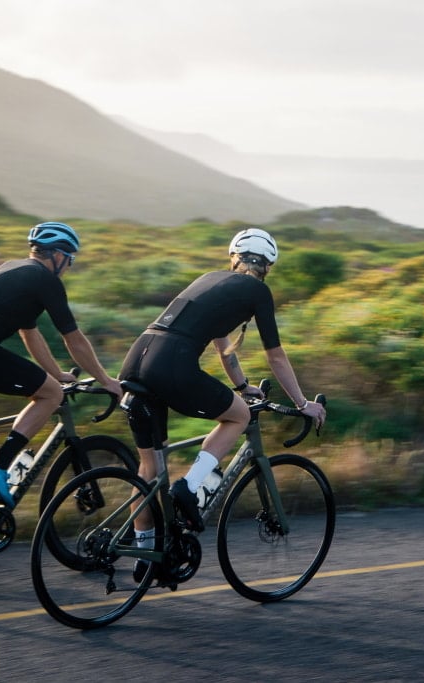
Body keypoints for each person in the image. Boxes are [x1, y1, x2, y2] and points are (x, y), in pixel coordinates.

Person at [119, 227, 326, 566]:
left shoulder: (210, 279)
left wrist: (243, 386)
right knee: (239, 415)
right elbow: (275, 356)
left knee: (150, 466)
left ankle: (145, 553)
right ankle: (190, 486)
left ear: (233, 258)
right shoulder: (257, 291)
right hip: (170, 364)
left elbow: (224, 349)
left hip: (135, 359)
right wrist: (302, 403)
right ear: (268, 266)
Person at [0, 222, 122, 524]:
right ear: (58, 256)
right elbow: (73, 339)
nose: (68, 268)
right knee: (51, 395)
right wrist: (105, 380)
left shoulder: (14, 271)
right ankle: (1, 463)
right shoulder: (45, 279)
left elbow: (29, 333)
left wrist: (56, 372)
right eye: (70, 260)